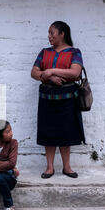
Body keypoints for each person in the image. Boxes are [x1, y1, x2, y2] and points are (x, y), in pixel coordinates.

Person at [30, 21, 85, 179]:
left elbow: (75, 72)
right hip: (47, 99)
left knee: (66, 132)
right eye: (48, 33)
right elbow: (34, 72)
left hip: (67, 100)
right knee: (49, 132)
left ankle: (67, 167)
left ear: (62, 34)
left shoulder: (74, 52)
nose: (49, 36)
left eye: (52, 33)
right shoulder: (44, 52)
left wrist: (51, 71)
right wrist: (50, 78)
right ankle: (49, 167)